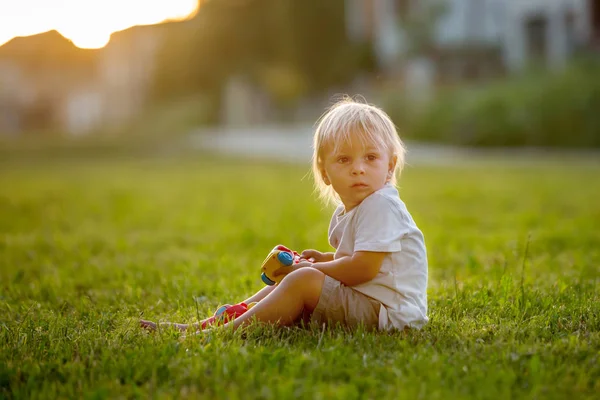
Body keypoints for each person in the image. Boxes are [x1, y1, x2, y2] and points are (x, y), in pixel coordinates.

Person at [140, 97, 428, 333]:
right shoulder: (353, 211)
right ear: (325, 172)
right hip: (372, 303)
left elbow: (363, 269)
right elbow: (356, 258)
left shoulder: (381, 206)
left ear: (390, 166)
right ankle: (216, 320)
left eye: (371, 158)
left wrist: (309, 270)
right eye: (344, 159)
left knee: (300, 279)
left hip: (391, 316)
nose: (358, 168)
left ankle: (219, 334)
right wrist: (324, 259)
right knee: (293, 277)